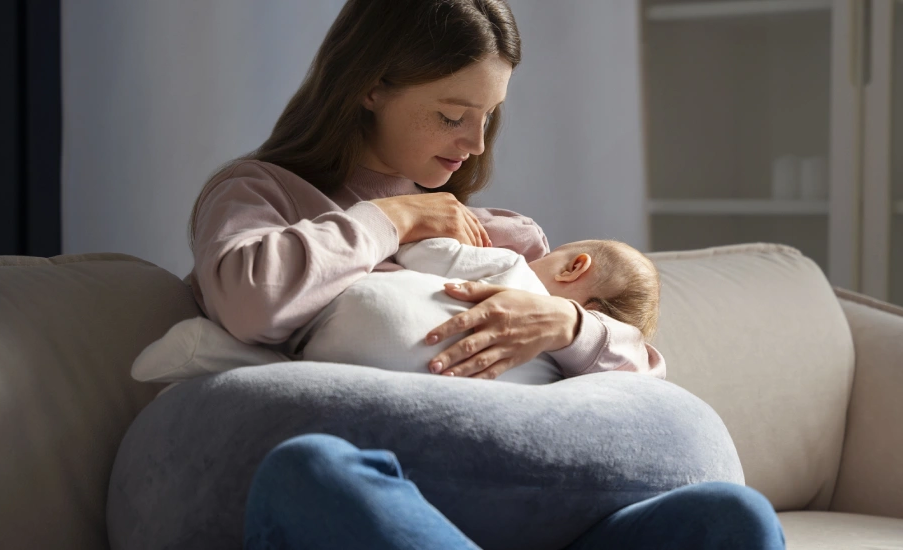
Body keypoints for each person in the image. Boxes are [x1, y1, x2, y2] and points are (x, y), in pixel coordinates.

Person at [184, 0, 785, 548]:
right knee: (311, 474)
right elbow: (249, 299)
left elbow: (639, 378)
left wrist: (567, 324)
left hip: (535, 502)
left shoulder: (504, 238)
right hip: (401, 499)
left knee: (732, 516)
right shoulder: (264, 194)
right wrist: (389, 219)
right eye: (452, 115)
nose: (474, 143)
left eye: (489, 116)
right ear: (370, 88)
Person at [297, 238, 661, 385]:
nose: (538, 256)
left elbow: (419, 252)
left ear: (573, 267)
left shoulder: (511, 266)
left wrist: (423, 231)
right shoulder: (558, 374)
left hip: (328, 341)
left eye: (551, 255)